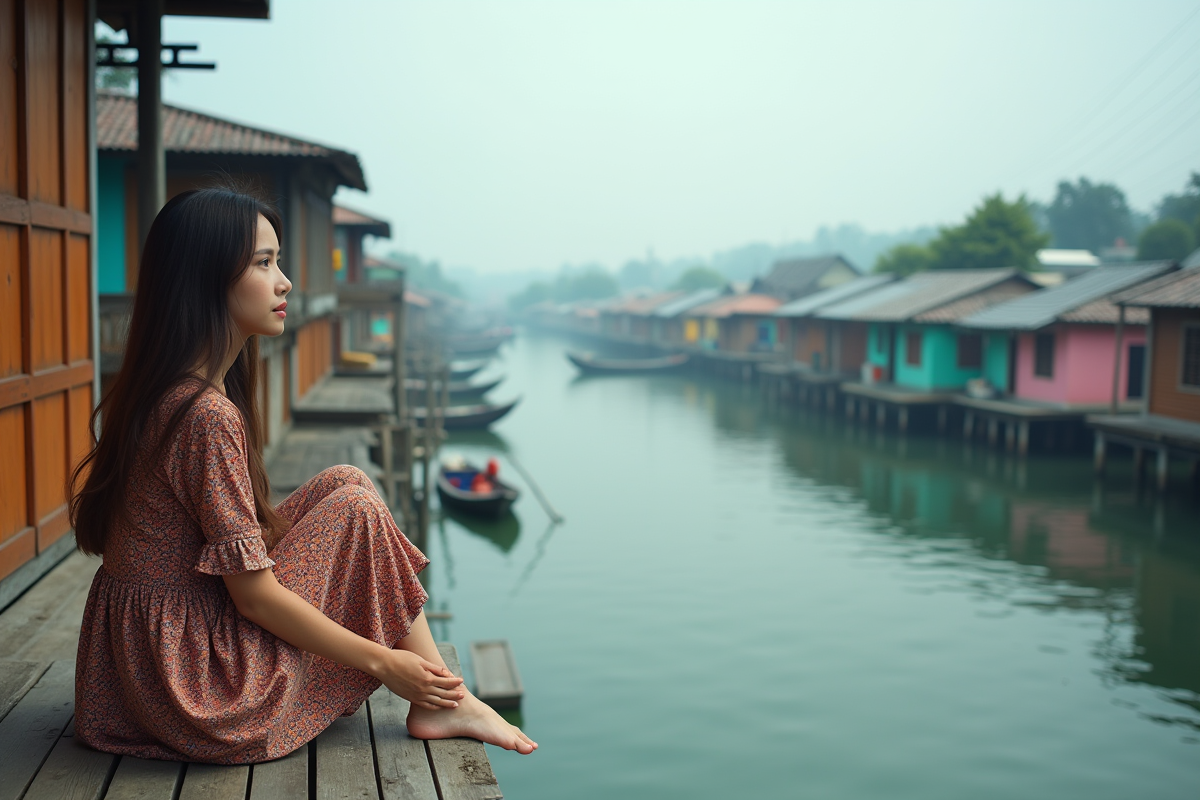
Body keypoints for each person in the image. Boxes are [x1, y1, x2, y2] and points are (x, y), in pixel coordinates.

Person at [70, 187, 536, 764]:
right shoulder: (205, 416)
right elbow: (255, 600)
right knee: (358, 509)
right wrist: (386, 663)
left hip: (138, 672)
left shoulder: (167, 390)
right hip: (198, 689)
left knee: (348, 482)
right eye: (264, 263)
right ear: (205, 278)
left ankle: (440, 698)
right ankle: (440, 696)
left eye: (278, 261)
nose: (285, 281)